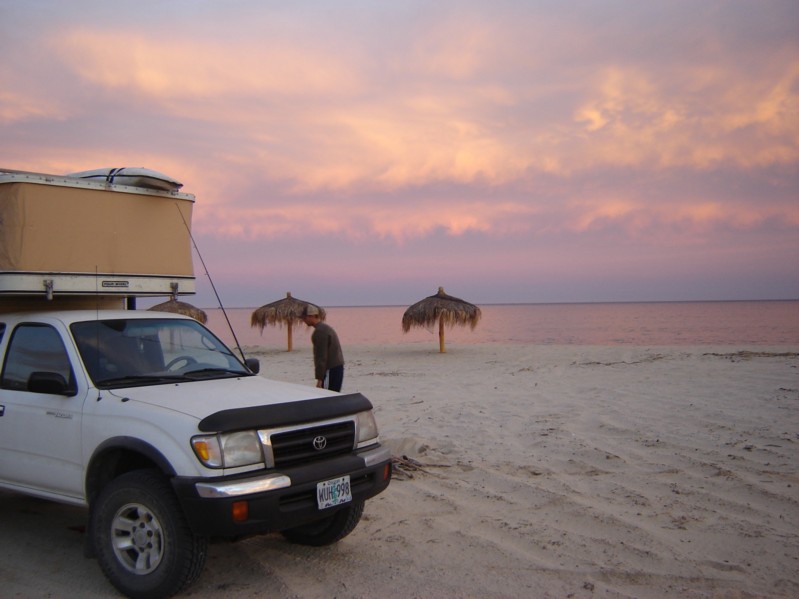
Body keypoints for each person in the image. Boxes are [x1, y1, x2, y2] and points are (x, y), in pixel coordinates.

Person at [301, 304, 345, 392]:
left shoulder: (320, 331)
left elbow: (321, 357)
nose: (303, 320)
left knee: (328, 395)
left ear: (312, 316)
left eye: (304, 318)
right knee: (334, 395)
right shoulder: (325, 328)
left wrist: (320, 379)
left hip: (331, 369)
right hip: (337, 366)